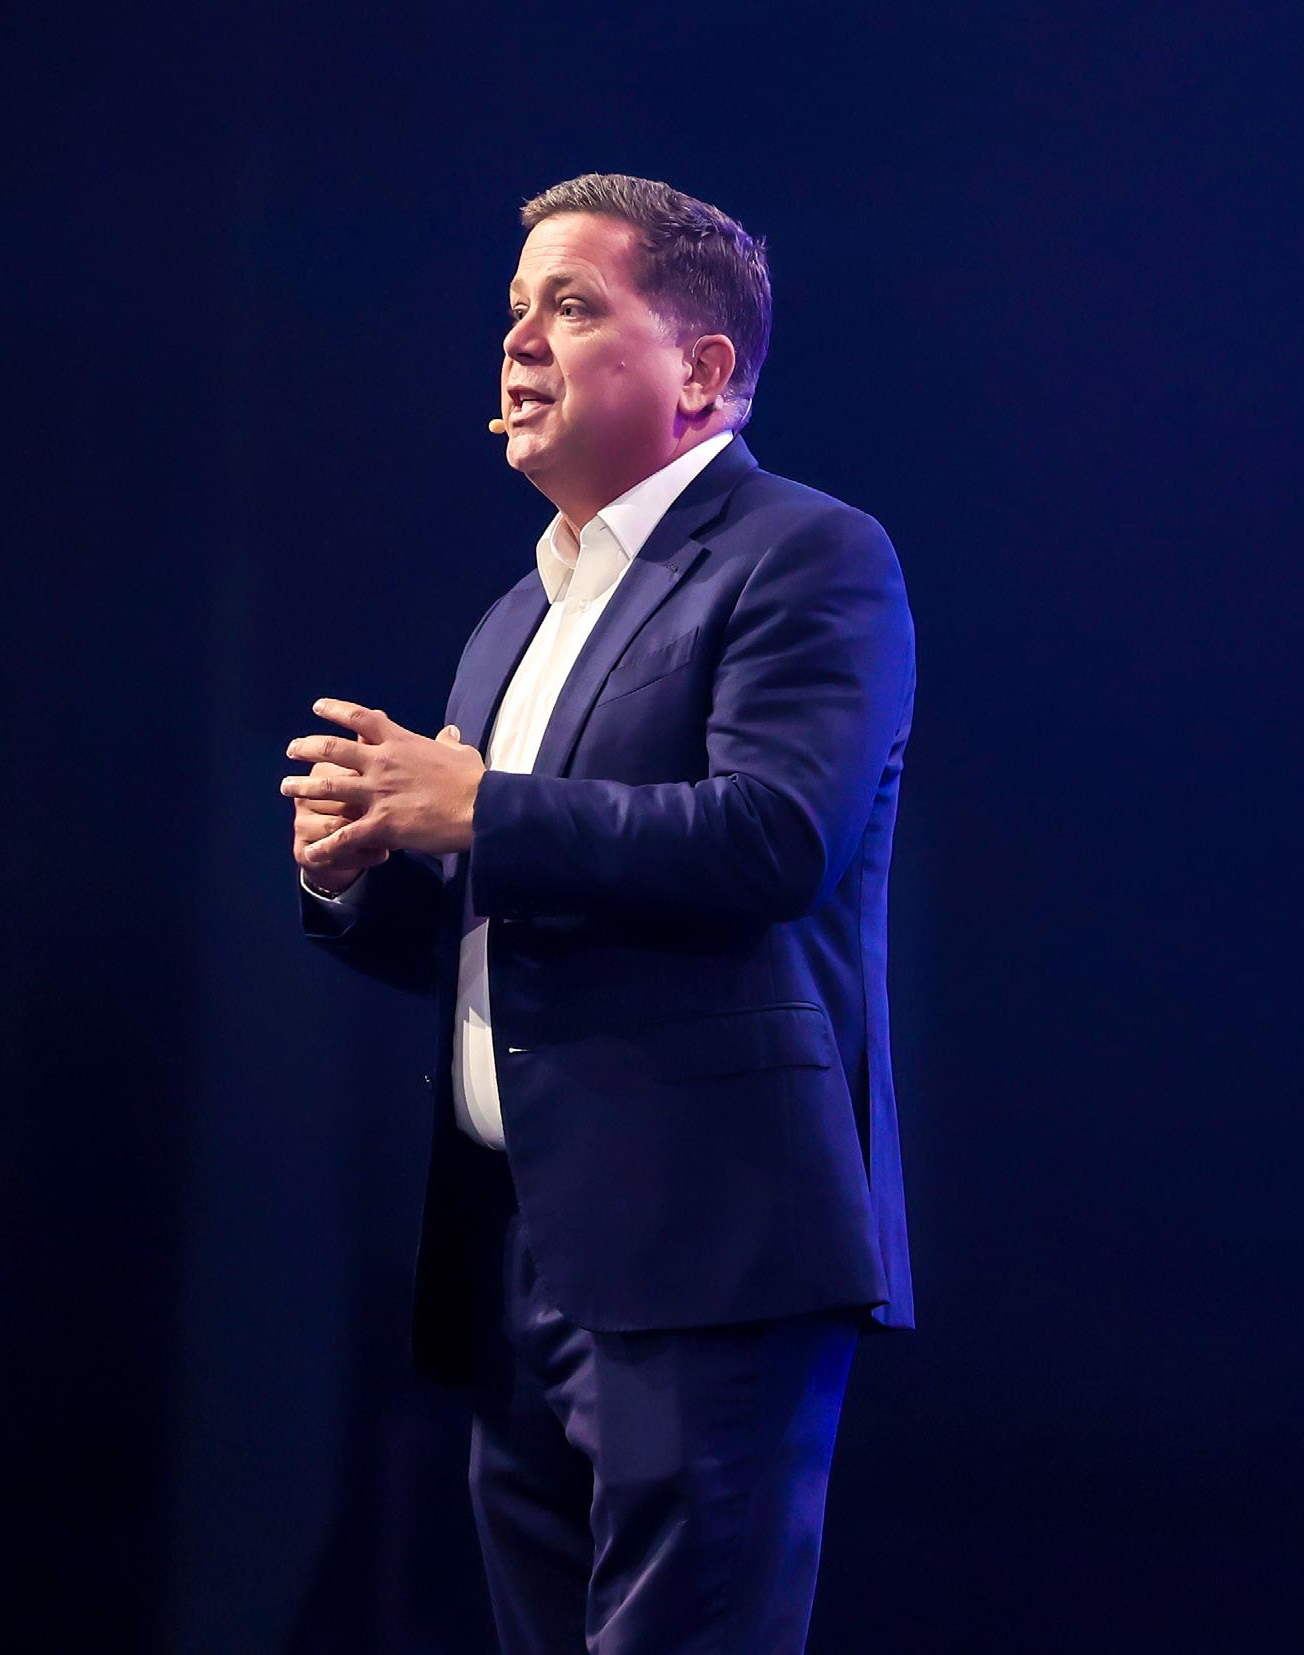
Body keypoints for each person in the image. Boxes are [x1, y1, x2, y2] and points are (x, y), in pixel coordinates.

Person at [281, 172, 915, 1653]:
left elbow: (776, 839)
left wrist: (481, 809)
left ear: (702, 370)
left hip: (707, 1239)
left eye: (570, 307)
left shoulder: (807, 554)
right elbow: (500, 925)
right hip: (518, 1246)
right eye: (515, 310)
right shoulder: (519, 615)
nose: (517, 343)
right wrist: (357, 869)